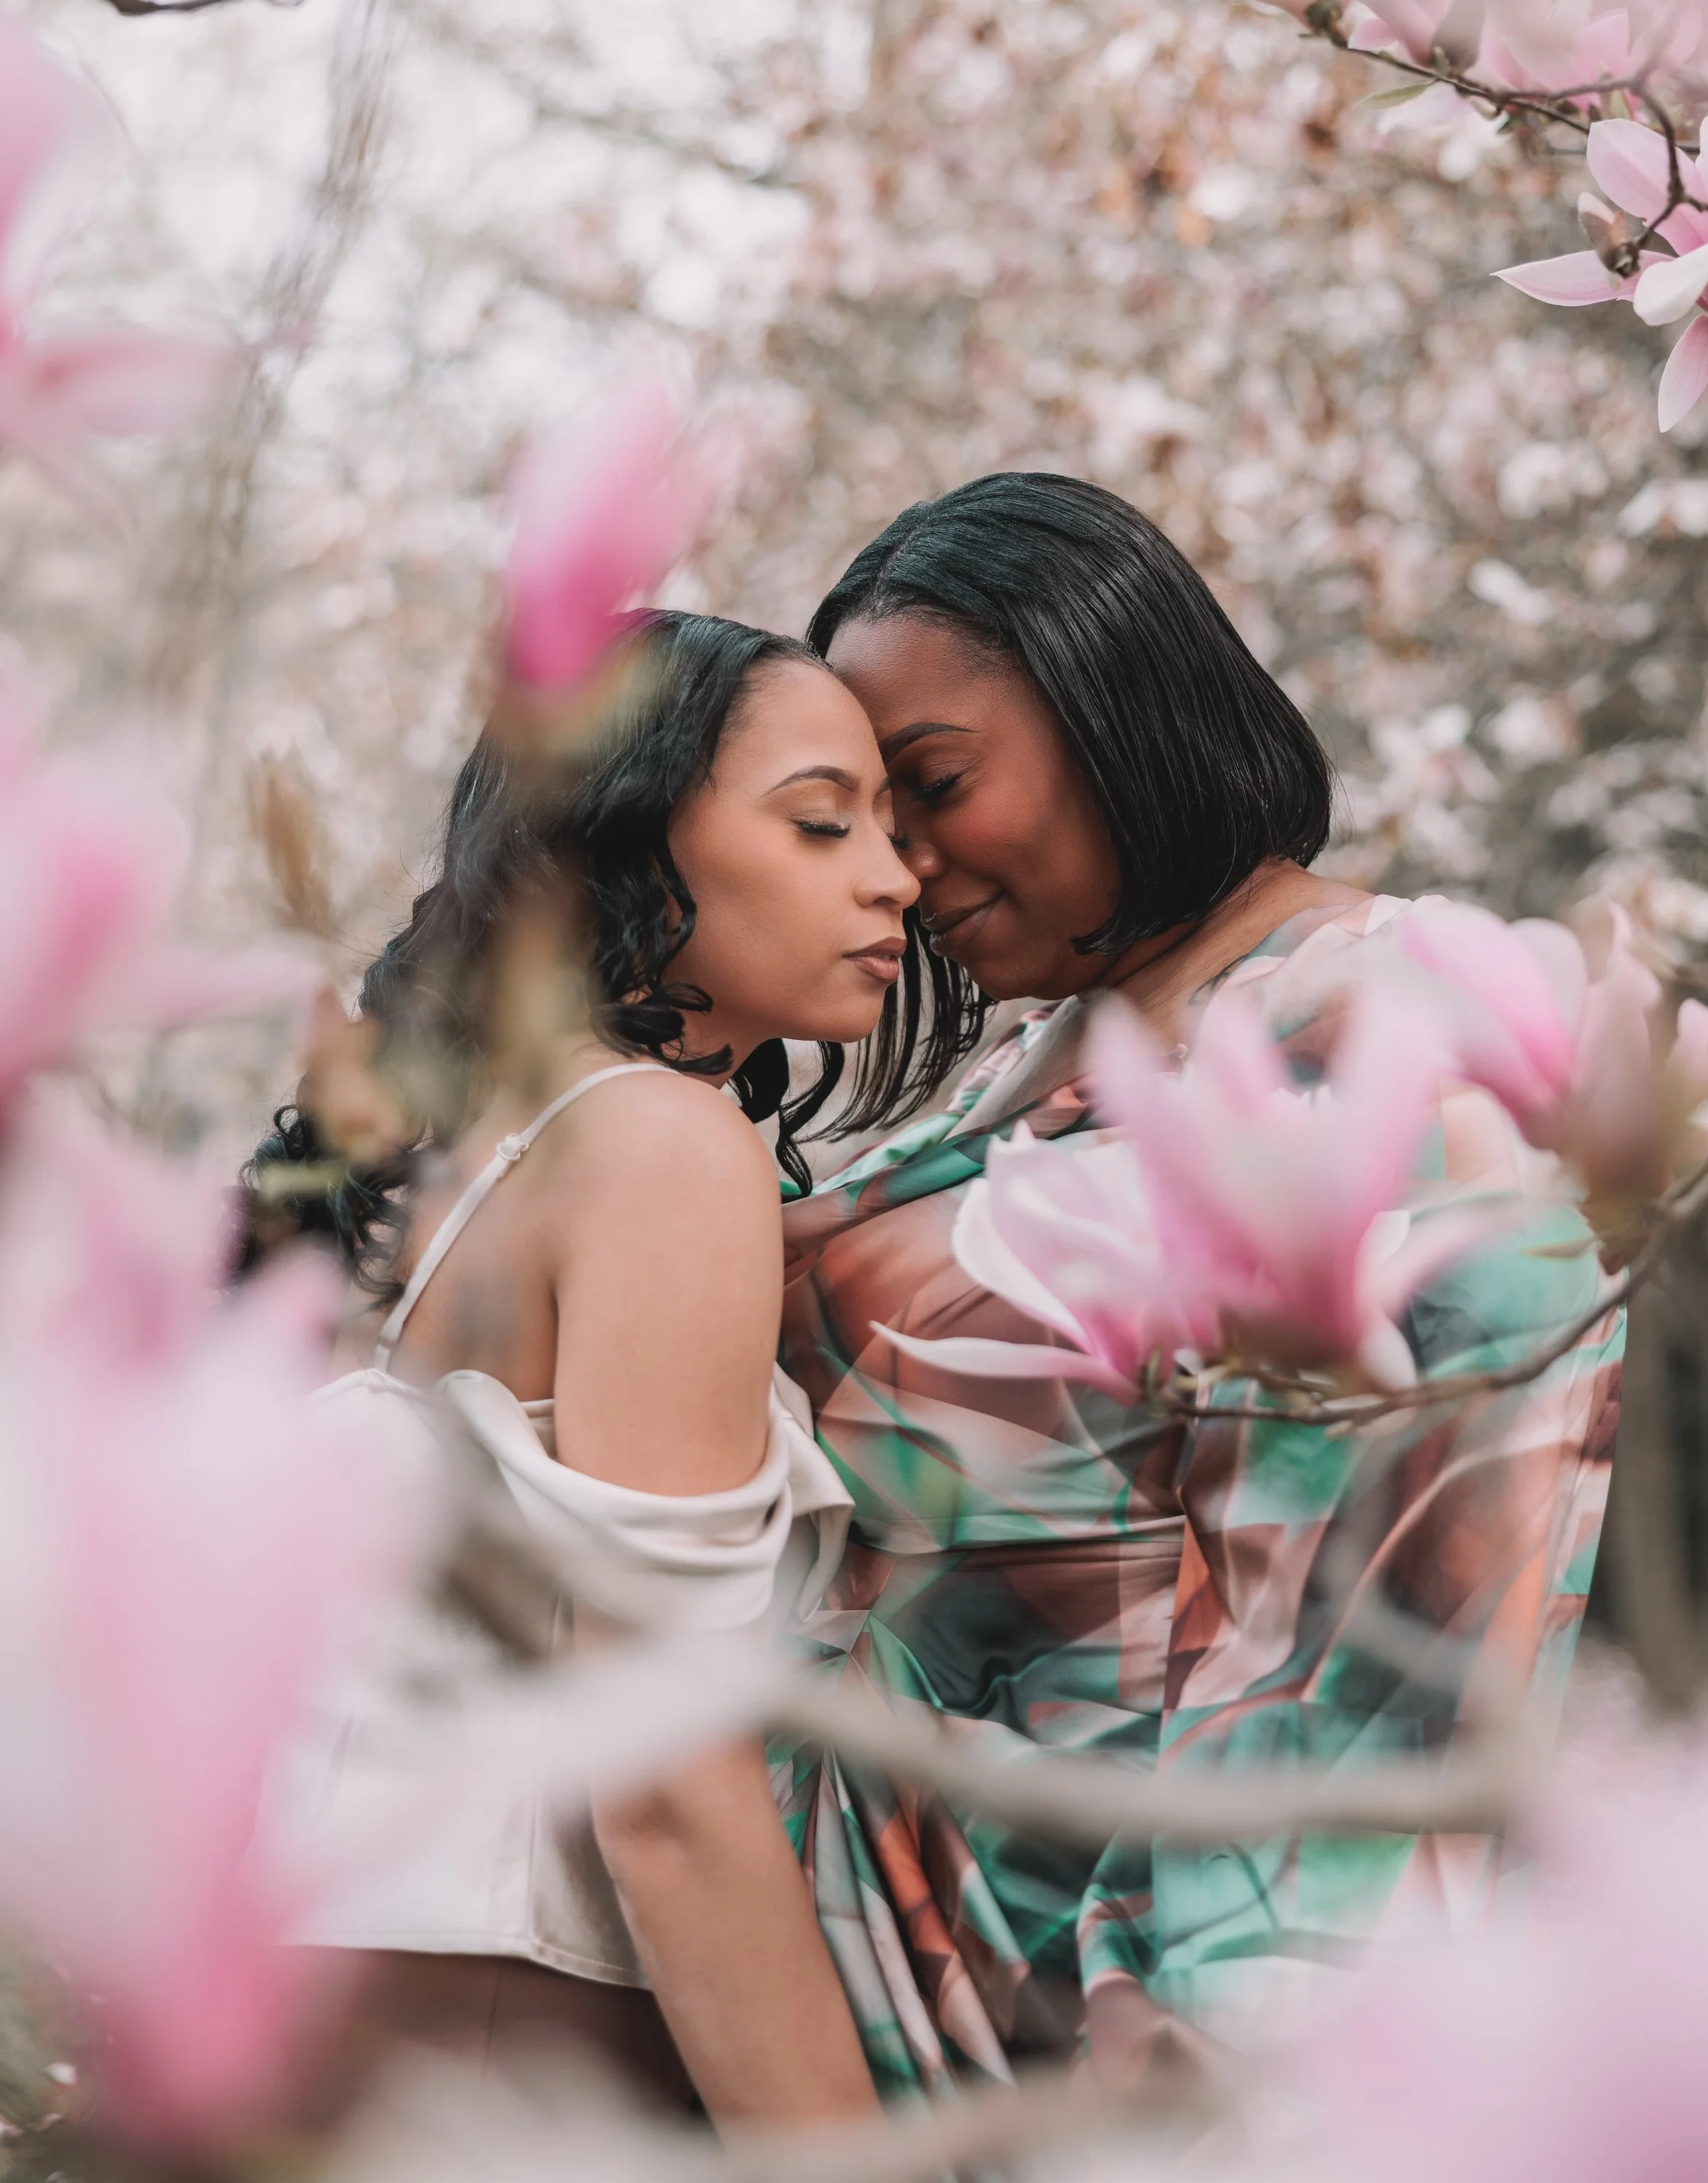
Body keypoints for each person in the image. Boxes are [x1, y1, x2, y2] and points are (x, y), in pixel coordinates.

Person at [775, 473, 1621, 2096]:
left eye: (934, 784)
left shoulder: (1385, 1046)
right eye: (866, 817)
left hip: (1088, 2078)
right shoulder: (1029, 1070)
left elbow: (1377, 1695)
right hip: (827, 2033)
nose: (902, 861)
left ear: (1118, 702)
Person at [249, 612, 914, 2126]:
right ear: (614, 834)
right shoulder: (664, 1147)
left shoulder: (458, 1160)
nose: (894, 875)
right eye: (821, 821)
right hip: (511, 2037)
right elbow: (660, 1777)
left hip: (339, 2007)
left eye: (890, 820)